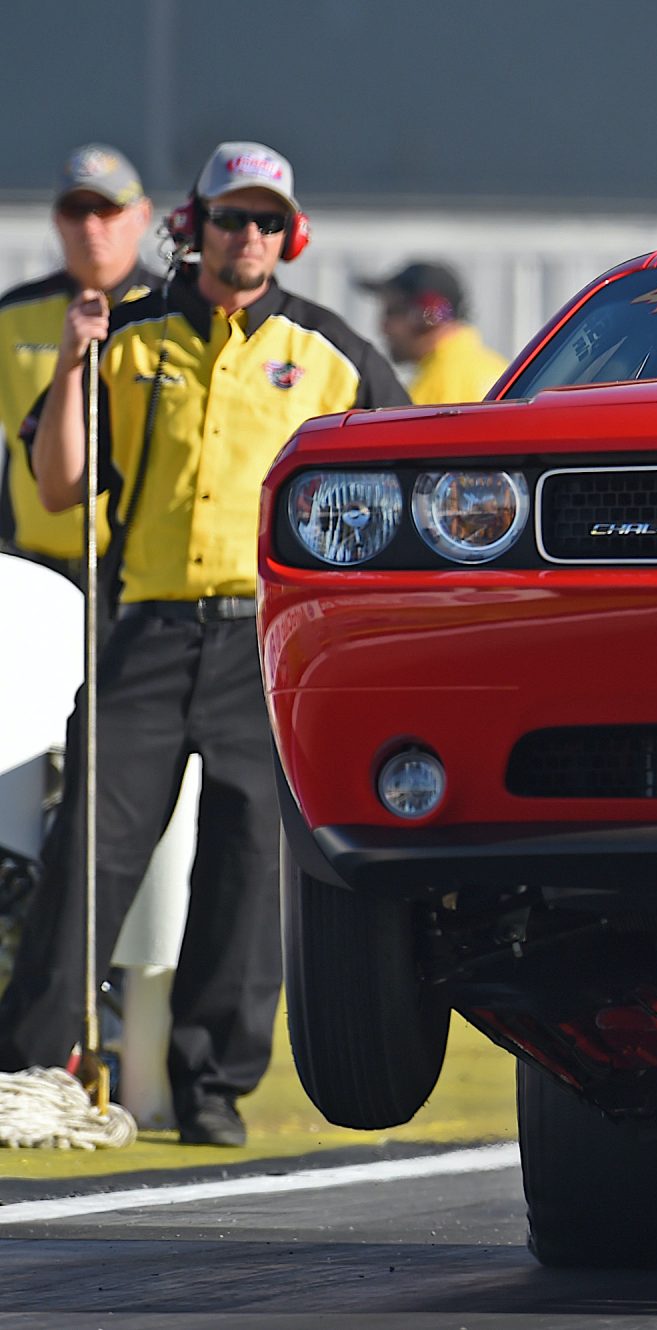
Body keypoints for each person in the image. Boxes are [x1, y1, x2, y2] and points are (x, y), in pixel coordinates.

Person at [0, 142, 409, 1147]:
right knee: (88, 850)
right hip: (144, 625)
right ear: (195, 226)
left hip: (266, 643)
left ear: (292, 235)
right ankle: (32, 1064)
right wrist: (76, 357)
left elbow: (408, 473)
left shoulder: (332, 351)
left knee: (247, 866)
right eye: (232, 218)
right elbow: (56, 484)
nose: (250, 238)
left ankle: (212, 1081)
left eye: (268, 221)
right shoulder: (130, 336)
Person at [0, 145, 158, 585]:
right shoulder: (12, 315)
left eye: (107, 209)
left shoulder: (170, 315)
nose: (91, 225)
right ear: (57, 220)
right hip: (33, 563)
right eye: (76, 209)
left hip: (138, 570)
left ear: (142, 215)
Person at [358, 260, 508, 404]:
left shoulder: (439, 383)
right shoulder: (494, 366)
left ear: (429, 315)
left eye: (392, 312)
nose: (383, 327)